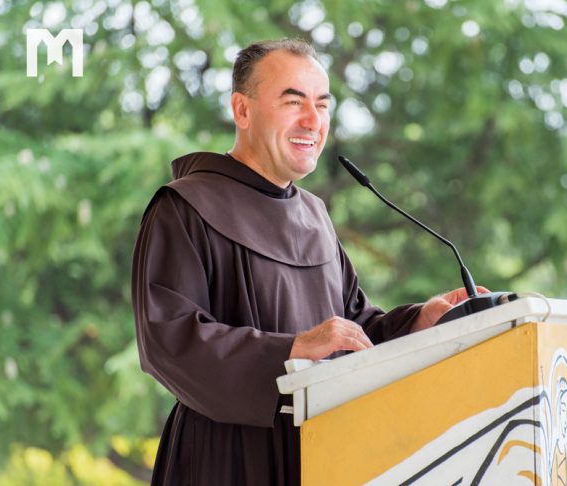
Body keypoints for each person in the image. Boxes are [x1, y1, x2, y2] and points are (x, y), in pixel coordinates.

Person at [131, 38, 483, 485]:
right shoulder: (184, 206)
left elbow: (356, 330)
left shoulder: (314, 215)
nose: (313, 121)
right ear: (242, 110)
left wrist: (419, 320)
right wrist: (291, 349)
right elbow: (168, 339)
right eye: (293, 101)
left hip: (323, 454)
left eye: (322, 105)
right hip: (225, 460)